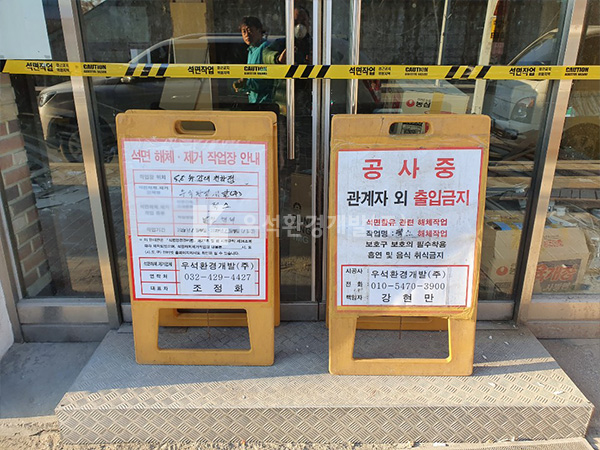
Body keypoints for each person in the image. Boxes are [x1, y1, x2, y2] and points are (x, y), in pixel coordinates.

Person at [233, 16, 274, 104]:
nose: (247, 34)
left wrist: (246, 83)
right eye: (244, 32)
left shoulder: (265, 47)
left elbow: (266, 79)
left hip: (265, 102)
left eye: (250, 30)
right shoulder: (251, 49)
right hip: (254, 101)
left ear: (259, 30)